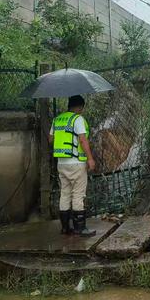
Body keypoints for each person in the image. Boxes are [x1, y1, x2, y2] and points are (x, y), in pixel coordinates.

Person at [49, 95, 96, 236]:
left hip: (62, 163)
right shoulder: (78, 119)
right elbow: (82, 140)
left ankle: (65, 228)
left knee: (65, 193)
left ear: (69, 105)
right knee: (78, 194)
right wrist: (90, 159)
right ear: (80, 107)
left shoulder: (57, 120)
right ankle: (80, 228)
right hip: (76, 163)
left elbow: (50, 139)